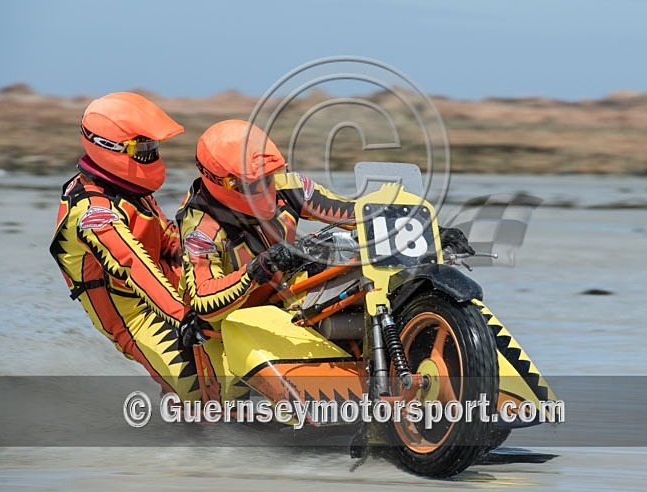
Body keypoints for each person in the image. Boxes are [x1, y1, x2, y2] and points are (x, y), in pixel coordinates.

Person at [176, 119, 475, 333]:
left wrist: (423, 231)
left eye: (269, 176)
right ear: (222, 183)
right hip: (235, 320)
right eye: (253, 184)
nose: (267, 187)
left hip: (287, 294)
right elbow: (204, 300)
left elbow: (355, 213)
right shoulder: (200, 228)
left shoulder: (290, 187)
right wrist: (261, 266)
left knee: (355, 262)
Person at [50, 92, 200, 401]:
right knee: (199, 391)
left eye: (152, 147)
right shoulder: (91, 209)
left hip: (174, 293)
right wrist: (183, 315)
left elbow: (170, 241)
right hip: (135, 317)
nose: (150, 155)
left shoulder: (132, 190)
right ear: (107, 148)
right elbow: (130, 263)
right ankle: (205, 435)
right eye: (142, 149)